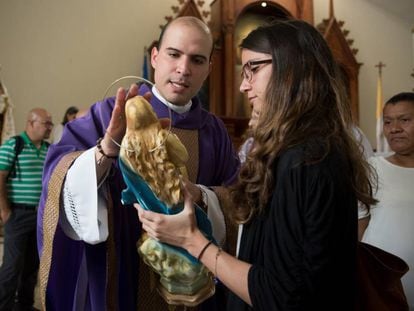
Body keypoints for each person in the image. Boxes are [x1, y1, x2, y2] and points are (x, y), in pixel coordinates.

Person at [137, 19, 377, 310]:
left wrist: (192, 241)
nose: (242, 85)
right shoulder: (308, 147)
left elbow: (279, 294)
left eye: (253, 69)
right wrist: (199, 195)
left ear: (292, 68)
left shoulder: (303, 159)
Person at [37, 16, 239, 310]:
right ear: (155, 56)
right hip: (121, 278)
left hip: (189, 285)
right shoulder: (109, 115)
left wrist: (201, 196)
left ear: (208, 68)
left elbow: (240, 201)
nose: (183, 69)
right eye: (174, 54)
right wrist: (106, 149)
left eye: (197, 60)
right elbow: (57, 175)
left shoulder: (215, 133)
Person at [361, 92, 414, 309]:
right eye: (388, 122)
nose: (394, 129)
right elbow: (357, 229)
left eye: (405, 120)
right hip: (381, 292)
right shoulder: (371, 170)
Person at [0, 108, 52, 311]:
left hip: (39, 215)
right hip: (18, 214)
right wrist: (4, 211)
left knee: (32, 266)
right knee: (12, 266)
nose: (49, 127)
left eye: (50, 123)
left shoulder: (49, 149)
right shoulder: (14, 145)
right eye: (45, 123)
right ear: (31, 123)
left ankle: (24, 305)